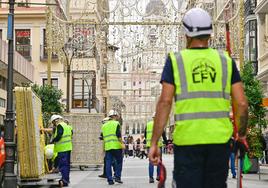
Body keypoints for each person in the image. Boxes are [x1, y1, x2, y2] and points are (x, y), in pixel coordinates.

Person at [148, 8, 248, 188]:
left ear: (186, 33)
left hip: (187, 142)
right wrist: (241, 134)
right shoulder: (226, 61)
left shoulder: (176, 60)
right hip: (219, 142)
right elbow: (241, 102)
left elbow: (165, 102)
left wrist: (154, 142)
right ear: (210, 33)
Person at [100, 110, 124, 185]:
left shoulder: (104, 126)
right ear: (114, 116)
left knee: (108, 163)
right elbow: (118, 135)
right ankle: (117, 177)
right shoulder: (116, 123)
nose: (117, 118)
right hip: (116, 146)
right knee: (119, 162)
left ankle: (110, 180)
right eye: (116, 116)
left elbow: (102, 137)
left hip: (108, 147)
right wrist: (122, 144)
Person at [50, 115, 73, 187]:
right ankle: (66, 179)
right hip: (68, 148)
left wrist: (53, 140)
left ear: (55, 121)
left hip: (62, 149)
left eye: (53, 122)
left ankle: (64, 181)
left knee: (63, 166)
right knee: (66, 165)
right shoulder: (67, 126)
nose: (54, 124)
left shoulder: (60, 126)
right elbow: (72, 133)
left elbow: (59, 135)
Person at [145, 112, 167, 183]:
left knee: (151, 162)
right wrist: (166, 143)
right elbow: (163, 135)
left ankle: (151, 178)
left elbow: (145, 135)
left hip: (150, 146)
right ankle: (158, 176)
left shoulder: (148, 125)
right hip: (158, 146)